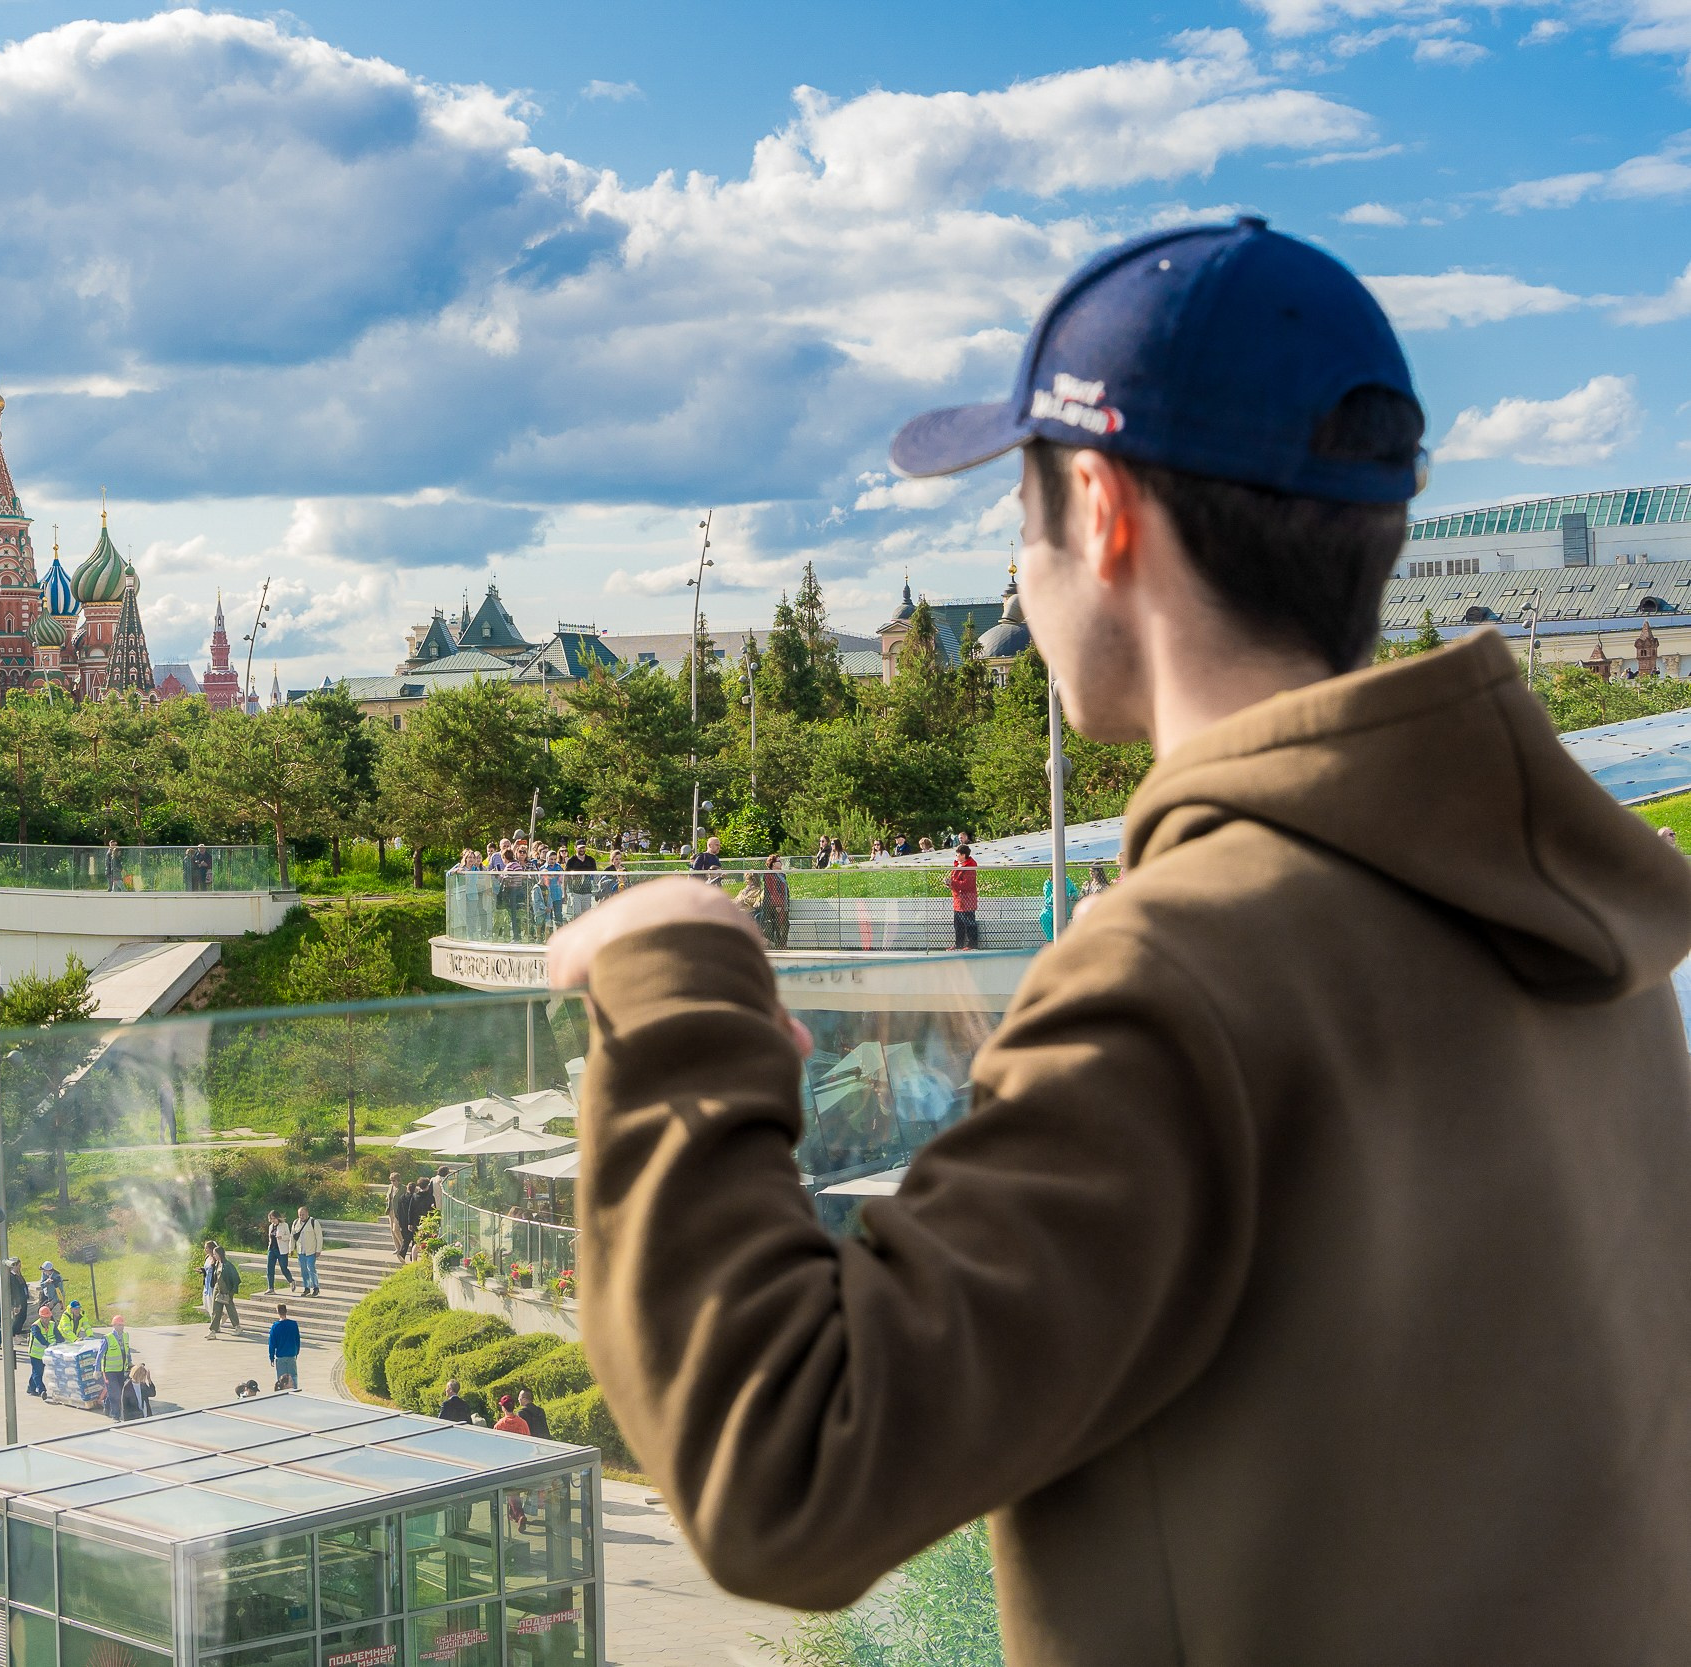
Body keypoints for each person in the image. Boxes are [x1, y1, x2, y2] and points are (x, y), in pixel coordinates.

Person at [548, 218, 1691, 1660]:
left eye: (1017, 519)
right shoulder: (1577, 909)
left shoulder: (1189, 968)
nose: (1024, 572)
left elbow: (789, 1470)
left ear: (1100, 510)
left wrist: (677, 989)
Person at [947, 842, 980, 951]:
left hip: (967, 898)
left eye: (958, 854)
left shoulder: (970, 867)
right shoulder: (957, 865)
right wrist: (950, 884)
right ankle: (959, 943)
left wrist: (952, 883)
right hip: (958, 898)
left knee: (969, 922)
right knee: (958, 924)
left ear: (963, 855)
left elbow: (967, 884)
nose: (956, 857)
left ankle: (972, 944)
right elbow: (956, 881)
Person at [101, 1315, 134, 1421]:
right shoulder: (108, 1338)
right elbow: (100, 1355)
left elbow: (127, 1351)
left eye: (122, 1325)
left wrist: (130, 1363)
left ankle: (106, 1406)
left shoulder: (126, 1336)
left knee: (117, 1391)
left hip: (121, 1369)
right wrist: (97, 1370)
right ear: (114, 1326)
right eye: (118, 1325)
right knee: (116, 1392)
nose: (121, 1327)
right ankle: (115, 1415)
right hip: (109, 1370)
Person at [205, 1245, 242, 1338]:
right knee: (216, 1310)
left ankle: (237, 1327)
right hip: (218, 1290)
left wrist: (232, 1292)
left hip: (226, 1291)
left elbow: (236, 1279)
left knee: (230, 1309)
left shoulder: (228, 1265)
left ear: (220, 1254)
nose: (214, 1256)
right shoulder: (217, 1264)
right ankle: (213, 1331)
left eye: (215, 1254)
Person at [266, 1304, 301, 1392]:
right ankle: (295, 1391)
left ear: (277, 1312)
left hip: (281, 1356)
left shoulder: (275, 1326)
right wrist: (296, 1352)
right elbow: (297, 1339)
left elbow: (272, 1343)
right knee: (293, 1377)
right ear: (286, 1311)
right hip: (291, 1354)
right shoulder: (293, 1324)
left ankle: (282, 1393)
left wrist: (271, 1357)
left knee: (281, 1379)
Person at [25, 1305, 56, 1398]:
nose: (47, 1319)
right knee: (38, 1372)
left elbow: (58, 1336)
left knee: (37, 1372)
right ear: (41, 1317)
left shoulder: (52, 1325)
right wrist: (47, 1344)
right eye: (45, 1317)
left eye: (48, 1317)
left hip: (45, 1354)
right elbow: (39, 1337)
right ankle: (42, 1390)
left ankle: (31, 1387)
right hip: (35, 1354)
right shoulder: (35, 1326)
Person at [293, 1207, 324, 1297]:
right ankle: (306, 1288)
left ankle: (316, 1288)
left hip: (311, 1251)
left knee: (311, 1268)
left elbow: (319, 1237)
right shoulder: (295, 1223)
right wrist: (291, 1248)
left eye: (303, 1214)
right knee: (304, 1270)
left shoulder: (313, 1222)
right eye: (299, 1215)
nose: (301, 1216)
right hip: (300, 1251)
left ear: (307, 1213)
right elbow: (292, 1236)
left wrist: (318, 1250)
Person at [264, 1212, 291, 1293]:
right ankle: (271, 1287)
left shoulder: (284, 1225)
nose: (273, 1220)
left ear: (277, 1217)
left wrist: (282, 1237)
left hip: (281, 1250)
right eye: (271, 1219)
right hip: (272, 1249)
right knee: (270, 1268)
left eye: (274, 1218)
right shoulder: (271, 1226)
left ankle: (291, 1280)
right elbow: (270, 1238)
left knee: (283, 1268)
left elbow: (289, 1236)